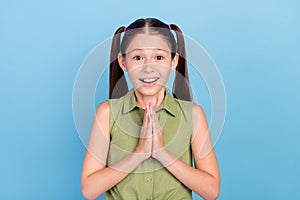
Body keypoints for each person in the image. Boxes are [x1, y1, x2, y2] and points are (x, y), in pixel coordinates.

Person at [81, 18, 220, 200]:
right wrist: (139, 154)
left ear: (173, 61)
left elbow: (211, 191)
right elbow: (89, 190)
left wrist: (163, 154)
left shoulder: (193, 115)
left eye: (159, 57)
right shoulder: (107, 113)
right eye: (137, 58)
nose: (148, 68)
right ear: (123, 62)